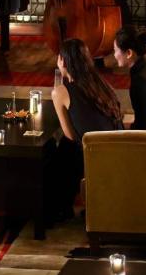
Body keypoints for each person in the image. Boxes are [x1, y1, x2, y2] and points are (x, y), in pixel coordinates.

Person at [48, 38, 124, 220]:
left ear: (63, 61)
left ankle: (57, 209)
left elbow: (70, 135)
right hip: (119, 148)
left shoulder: (60, 92)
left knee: (62, 150)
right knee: (67, 151)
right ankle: (64, 205)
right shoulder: (101, 83)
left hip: (96, 154)